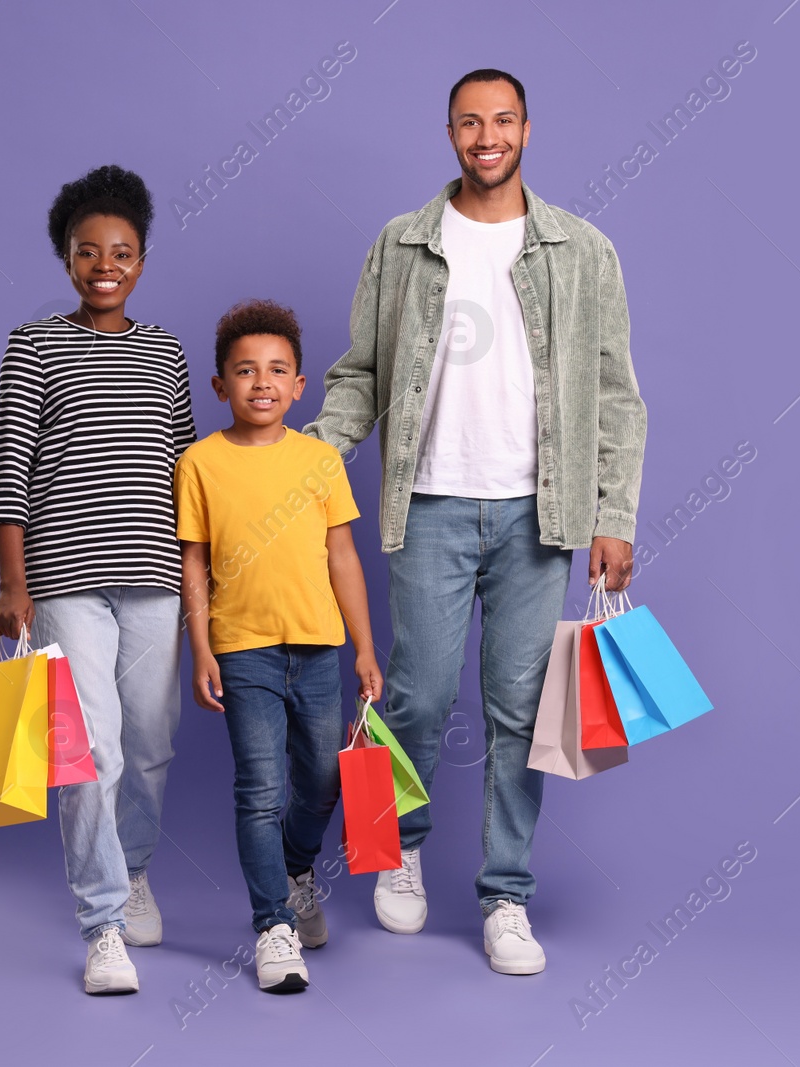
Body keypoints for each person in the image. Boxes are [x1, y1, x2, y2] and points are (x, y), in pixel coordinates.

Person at [302, 69, 647, 975]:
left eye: (502, 120)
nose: (486, 136)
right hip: (429, 502)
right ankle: (393, 846)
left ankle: (506, 896)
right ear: (449, 132)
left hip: (545, 512)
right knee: (411, 694)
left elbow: (617, 397)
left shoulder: (582, 250)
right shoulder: (403, 243)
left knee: (521, 710)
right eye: (469, 122)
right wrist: (306, 464)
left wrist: (614, 514)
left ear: (527, 127)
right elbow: (360, 376)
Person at [0, 165, 195, 996]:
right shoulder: (34, 344)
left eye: (123, 252)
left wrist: (201, 582)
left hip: (154, 578)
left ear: (141, 261)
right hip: (65, 580)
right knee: (92, 749)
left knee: (150, 744)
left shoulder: (167, 353)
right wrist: (12, 582)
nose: (106, 264)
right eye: (88, 252)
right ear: (67, 260)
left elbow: (185, 473)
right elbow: (9, 469)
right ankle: (104, 921)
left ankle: (133, 868)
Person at [175, 299, 382, 992]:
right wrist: (201, 648)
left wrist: (364, 649)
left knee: (323, 783)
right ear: (220, 385)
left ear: (299, 386)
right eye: (244, 370)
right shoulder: (199, 463)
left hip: (321, 649)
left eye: (277, 370)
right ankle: (274, 925)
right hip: (244, 652)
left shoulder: (321, 461)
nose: (260, 382)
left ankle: (297, 868)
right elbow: (195, 564)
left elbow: (344, 558)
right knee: (259, 788)